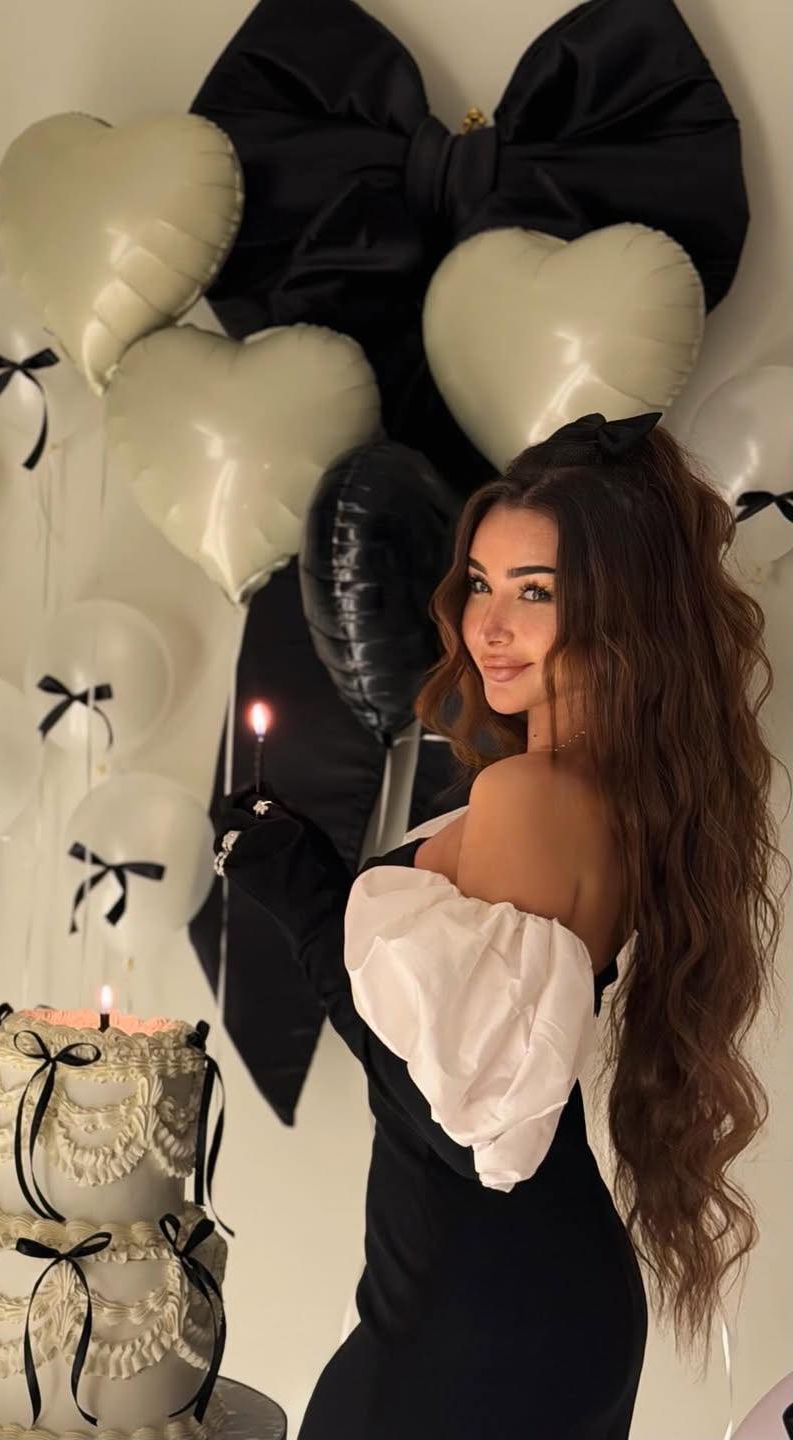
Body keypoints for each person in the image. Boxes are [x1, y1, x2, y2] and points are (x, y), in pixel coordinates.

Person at [212, 412, 788, 1439]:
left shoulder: (530, 795)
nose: (490, 626)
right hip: (520, 1299)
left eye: (536, 593)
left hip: (477, 1312)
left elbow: (462, 1126)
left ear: (619, 611)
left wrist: (303, 897)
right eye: (480, 583)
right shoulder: (605, 788)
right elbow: (466, 1067)